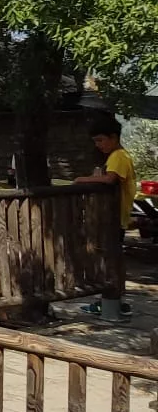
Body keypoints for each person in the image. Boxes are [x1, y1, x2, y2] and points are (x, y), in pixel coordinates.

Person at [75, 115, 134, 321]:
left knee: (110, 259)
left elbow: (110, 179)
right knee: (114, 258)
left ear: (114, 137)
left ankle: (111, 301)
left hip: (115, 217)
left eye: (101, 140)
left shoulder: (118, 156)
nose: (98, 145)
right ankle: (116, 301)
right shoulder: (119, 156)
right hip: (118, 218)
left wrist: (82, 179)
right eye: (95, 141)